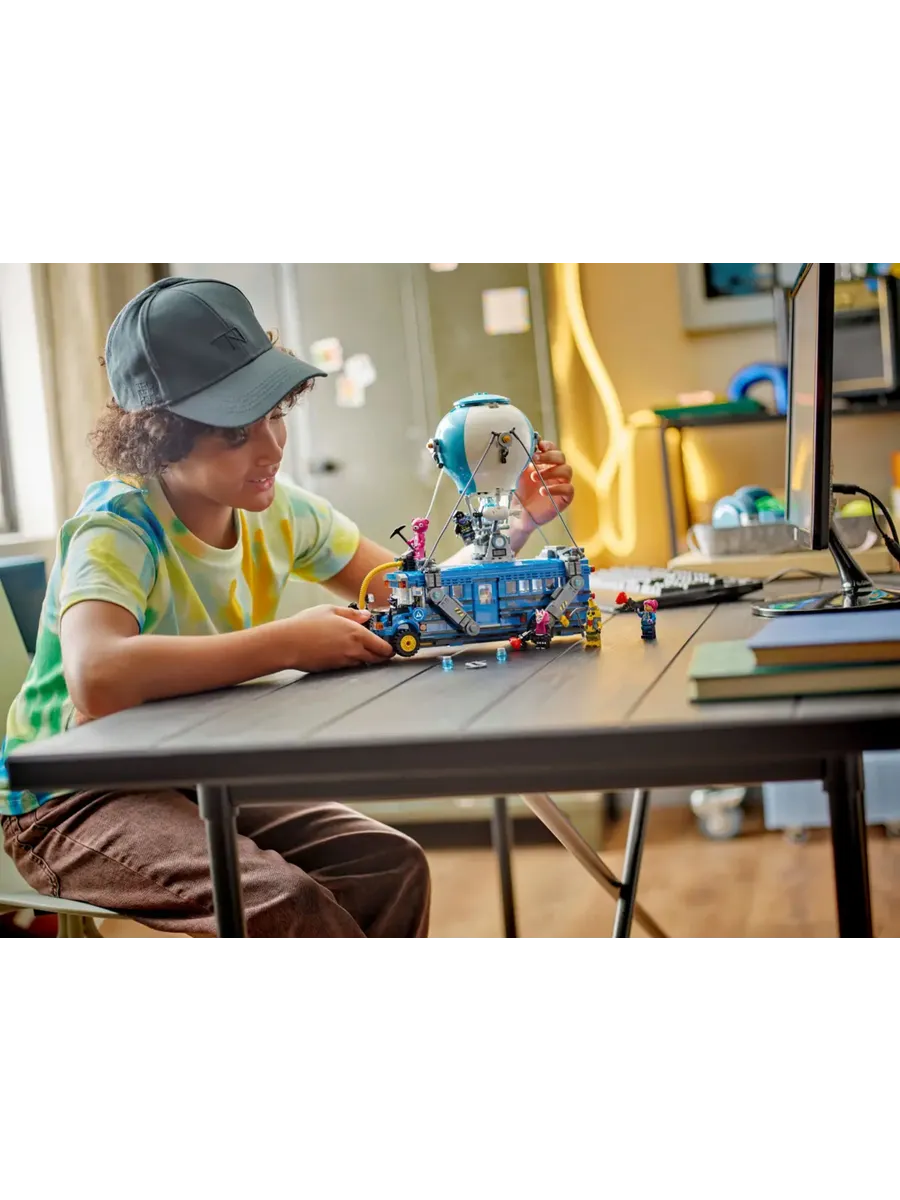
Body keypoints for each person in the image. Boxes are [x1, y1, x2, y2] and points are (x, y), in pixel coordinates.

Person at [0, 276, 576, 941]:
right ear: (159, 438)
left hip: (187, 771)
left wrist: (518, 522)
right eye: (236, 433)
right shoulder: (119, 527)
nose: (273, 447)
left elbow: (419, 601)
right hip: (69, 802)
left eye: (276, 415)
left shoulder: (282, 510)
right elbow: (97, 679)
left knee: (388, 865)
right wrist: (287, 643)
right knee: (278, 902)